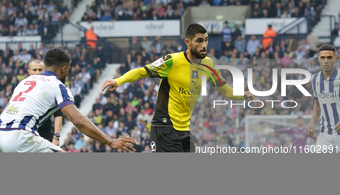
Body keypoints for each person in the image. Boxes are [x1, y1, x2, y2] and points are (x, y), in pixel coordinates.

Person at [101, 23, 254, 152]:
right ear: (188, 42)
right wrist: (118, 81)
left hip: (184, 130)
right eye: (199, 41)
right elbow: (141, 71)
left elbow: (225, 90)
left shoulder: (209, 65)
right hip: (164, 127)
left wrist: (243, 95)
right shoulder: (172, 61)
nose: (204, 45)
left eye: (206, 40)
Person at [0, 49, 137, 152]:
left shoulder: (24, 82)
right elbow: (78, 121)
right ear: (63, 69)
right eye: (68, 70)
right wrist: (110, 141)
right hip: (20, 137)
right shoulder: (57, 86)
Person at [307, 44, 340, 149]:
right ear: (318, 59)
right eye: (323, 58)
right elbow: (317, 104)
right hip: (324, 134)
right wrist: (312, 123)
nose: (326, 61)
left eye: (329, 57)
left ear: (335, 58)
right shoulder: (314, 79)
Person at [27, 59, 63, 146]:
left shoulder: (52, 88)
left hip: (45, 134)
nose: (37, 72)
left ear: (45, 71)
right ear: (29, 72)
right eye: (34, 70)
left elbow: (58, 114)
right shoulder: (22, 88)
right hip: (27, 134)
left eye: (40, 70)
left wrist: (56, 136)